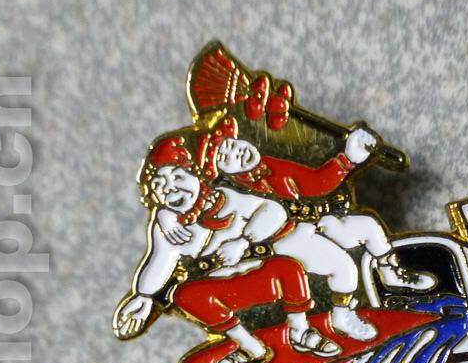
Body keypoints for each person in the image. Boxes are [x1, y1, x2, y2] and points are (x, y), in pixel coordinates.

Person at [158, 121, 436, 348]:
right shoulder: (230, 195)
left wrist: (350, 158)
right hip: (280, 240)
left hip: (310, 221)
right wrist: (165, 216)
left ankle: (391, 273)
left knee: (367, 226)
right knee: (342, 267)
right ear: (219, 174)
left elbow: (315, 183)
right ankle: (342, 316)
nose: (236, 152)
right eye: (224, 157)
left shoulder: (269, 165)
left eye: (232, 144)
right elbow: (187, 212)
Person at [113, 129, 336, 363]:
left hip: (257, 274)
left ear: (196, 176)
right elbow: (159, 262)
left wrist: (243, 241)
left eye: (177, 177)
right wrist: (143, 296)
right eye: (160, 186)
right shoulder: (170, 230)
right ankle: (250, 347)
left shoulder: (226, 198)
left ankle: (300, 331)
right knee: (185, 296)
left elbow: (273, 211)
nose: (171, 189)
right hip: (222, 288)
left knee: (289, 268)